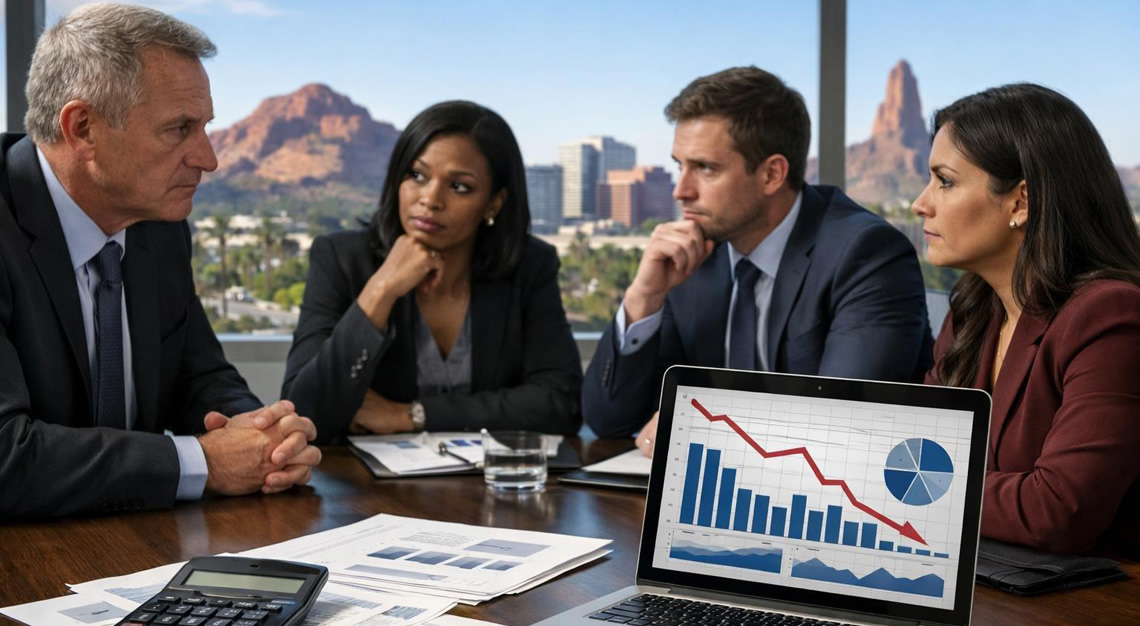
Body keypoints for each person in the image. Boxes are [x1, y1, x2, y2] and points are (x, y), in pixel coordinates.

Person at [0, 3, 321, 520]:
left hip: (140, 549)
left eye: (205, 127)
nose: (208, 158)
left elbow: (199, 376)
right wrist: (203, 463)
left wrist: (267, 436)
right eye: (179, 129)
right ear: (83, 128)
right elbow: (5, 457)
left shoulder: (160, 226)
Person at [583, 67, 933, 449]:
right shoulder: (691, 254)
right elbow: (610, 421)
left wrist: (697, 426)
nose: (681, 191)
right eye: (679, 166)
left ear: (771, 175)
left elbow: (846, 426)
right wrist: (642, 299)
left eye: (705, 168)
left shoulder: (866, 254)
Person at [916, 84, 1140, 555]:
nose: (922, 203)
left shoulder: (1111, 317)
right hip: (985, 583)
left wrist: (907, 489)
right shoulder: (973, 308)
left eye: (946, 181)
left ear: (1020, 202)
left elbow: (1057, 510)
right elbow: (916, 450)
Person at [282, 101, 581, 441]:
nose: (431, 199)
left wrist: (411, 415)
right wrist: (381, 288)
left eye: (459, 187)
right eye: (417, 176)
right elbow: (301, 413)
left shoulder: (530, 265)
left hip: (497, 486)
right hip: (364, 490)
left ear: (494, 203)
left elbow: (560, 403)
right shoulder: (341, 258)